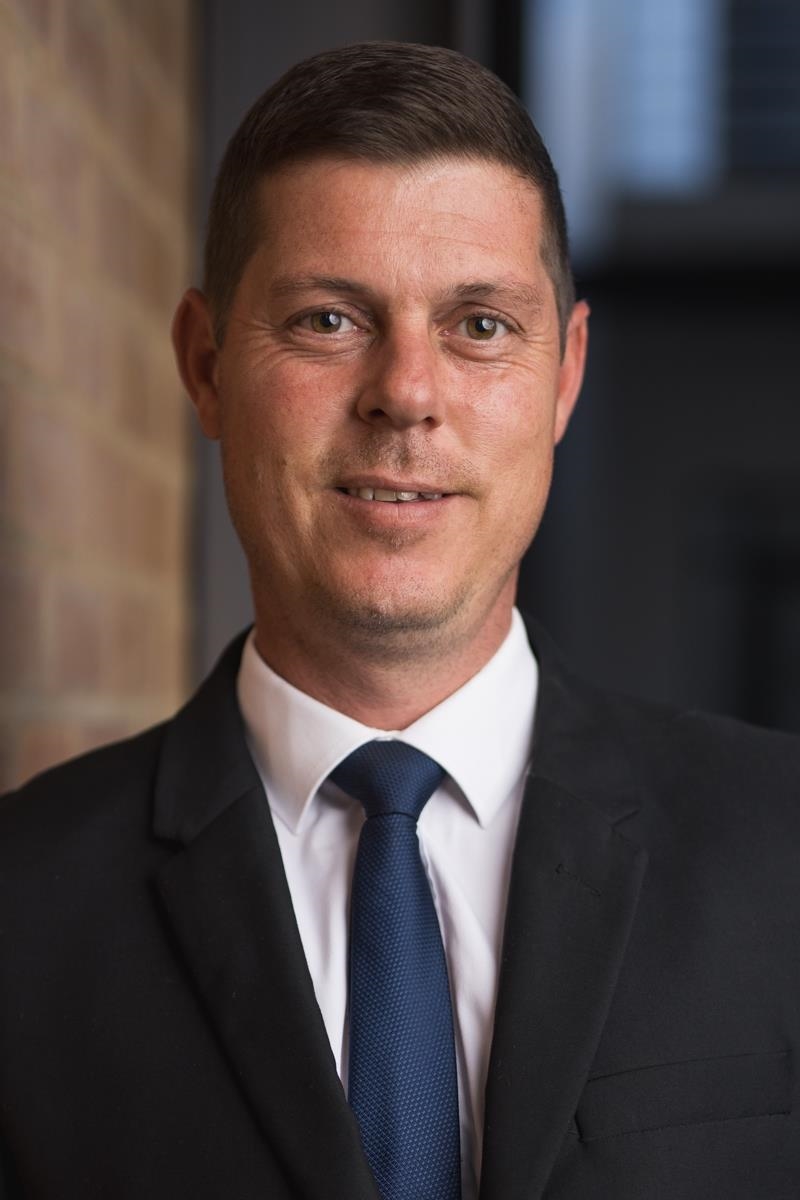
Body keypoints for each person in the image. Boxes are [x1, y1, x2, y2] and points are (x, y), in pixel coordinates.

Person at [0, 41, 798, 1200]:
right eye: (328, 319)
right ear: (206, 366)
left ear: (564, 375)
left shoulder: (781, 850)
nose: (406, 393)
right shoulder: (22, 907)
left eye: (479, 326)